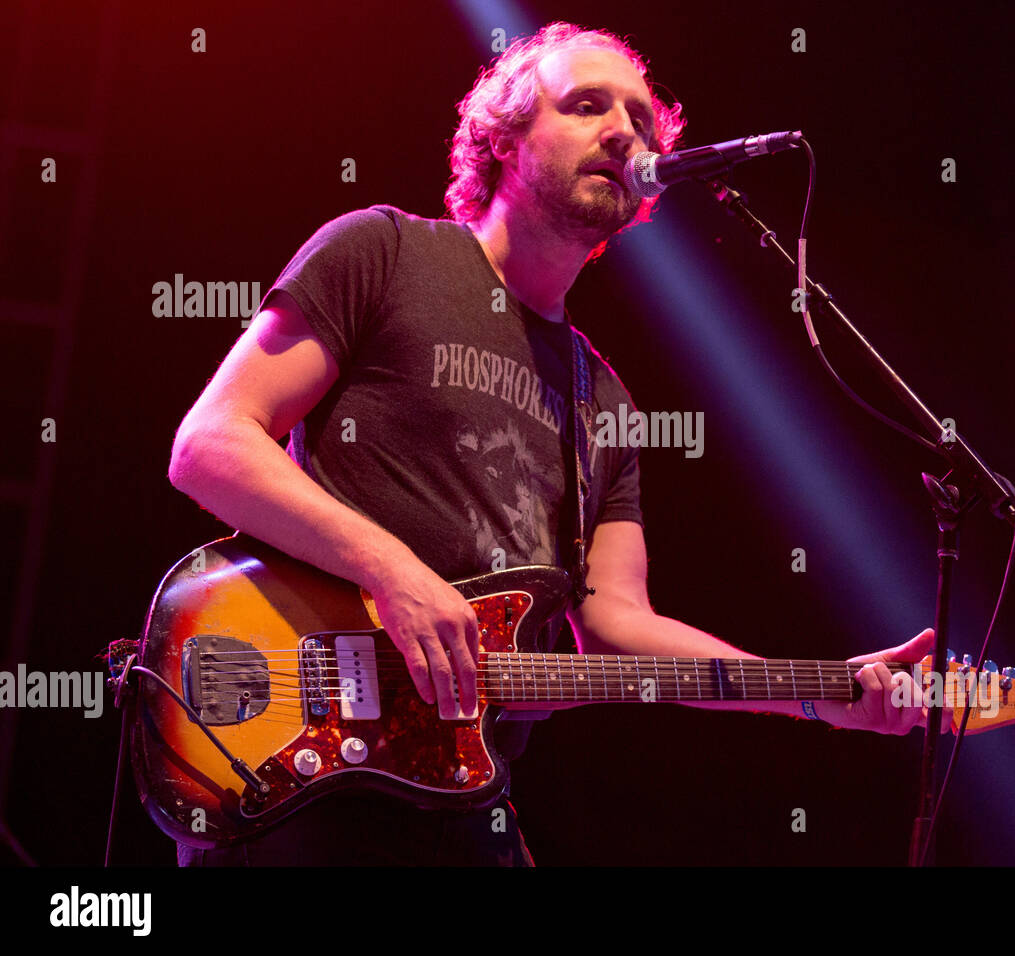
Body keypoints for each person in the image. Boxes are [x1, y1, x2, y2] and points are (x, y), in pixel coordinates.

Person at [166, 21, 936, 866]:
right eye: (586, 106)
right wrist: (393, 572)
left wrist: (820, 693)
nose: (624, 132)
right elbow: (210, 443)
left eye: (642, 122)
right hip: (305, 765)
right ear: (500, 139)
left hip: (458, 797)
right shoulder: (384, 253)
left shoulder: (603, 401)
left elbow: (615, 625)